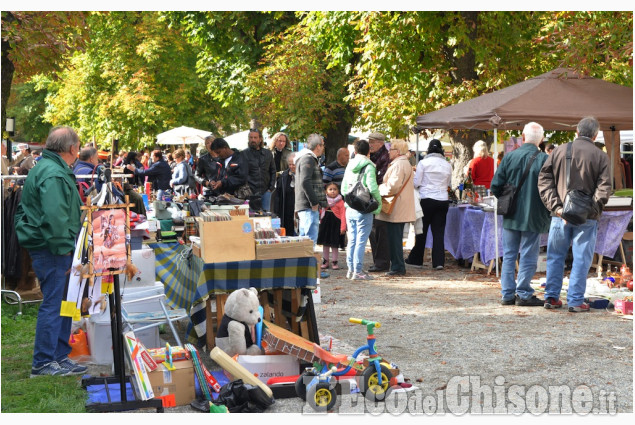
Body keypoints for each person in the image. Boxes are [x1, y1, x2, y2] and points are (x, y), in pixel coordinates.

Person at [14, 126, 87, 377]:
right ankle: (44, 362)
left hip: (56, 246)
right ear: (72, 148)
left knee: (64, 303)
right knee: (55, 303)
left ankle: (58, 355)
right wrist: (66, 251)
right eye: (78, 146)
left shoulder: (51, 168)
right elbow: (55, 219)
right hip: (54, 247)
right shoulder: (53, 173)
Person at [538, 116, 611, 312]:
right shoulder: (601, 156)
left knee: (555, 256)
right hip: (587, 217)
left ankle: (551, 297)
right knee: (581, 259)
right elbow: (604, 189)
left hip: (560, 214)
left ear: (576, 132)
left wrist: (556, 207)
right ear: (595, 135)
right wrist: (591, 210)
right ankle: (576, 300)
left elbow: (544, 181)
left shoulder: (559, 150)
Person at [491, 122, 551, 306]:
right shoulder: (544, 160)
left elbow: (495, 185)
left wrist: (506, 198)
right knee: (528, 254)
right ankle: (523, 293)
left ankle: (507, 294)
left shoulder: (509, 157)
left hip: (511, 213)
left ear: (523, 137)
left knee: (509, 255)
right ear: (541, 140)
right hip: (534, 215)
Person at [406, 139, 452, 269]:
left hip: (426, 199)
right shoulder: (447, 164)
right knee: (439, 232)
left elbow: (416, 183)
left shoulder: (423, 163)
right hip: (442, 199)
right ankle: (438, 262)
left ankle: (416, 259)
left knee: (422, 230)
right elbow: (448, 183)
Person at [341, 139, 382, 281]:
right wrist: (378, 204)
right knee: (361, 241)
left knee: (351, 240)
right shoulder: (369, 166)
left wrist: (347, 203)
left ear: (355, 151)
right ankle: (358, 271)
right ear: (368, 152)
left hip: (350, 207)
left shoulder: (349, 165)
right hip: (364, 208)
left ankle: (351, 270)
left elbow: (343, 188)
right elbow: (373, 187)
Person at [377, 139, 415, 276]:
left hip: (397, 206)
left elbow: (393, 186)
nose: (389, 151)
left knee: (394, 239)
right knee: (395, 238)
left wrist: (379, 188)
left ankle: (398, 267)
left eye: (391, 149)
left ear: (397, 152)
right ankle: (397, 266)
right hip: (400, 206)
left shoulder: (399, 165)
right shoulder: (404, 163)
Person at [294, 134, 328, 244]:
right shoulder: (308, 158)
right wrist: (314, 202)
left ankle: (305, 261)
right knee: (309, 241)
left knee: (306, 240)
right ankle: (308, 261)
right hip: (308, 205)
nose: (323, 148)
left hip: (306, 205)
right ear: (318, 146)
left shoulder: (306, 158)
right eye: (323, 145)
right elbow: (305, 181)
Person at [367, 132, 391, 272]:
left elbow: (380, 178)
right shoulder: (373, 156)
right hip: (374, 197)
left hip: (380, 197)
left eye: (372, 142)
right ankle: (378, 261)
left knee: (379, 230)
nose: (370, 145)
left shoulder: (384, 157)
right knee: (374, 230)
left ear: (380, 143)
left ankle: (381, 262)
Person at [243, 128, 276, 211]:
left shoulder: (268, 153)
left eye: (255, 137)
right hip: (250, 192)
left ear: (260, 139)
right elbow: (242, 173)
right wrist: (246, 190)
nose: (253, 140)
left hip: (266, 191)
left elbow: (273, 171)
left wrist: (270, 188)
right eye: (251, 137)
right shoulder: (244, 154)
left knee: (266, 216)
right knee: (251, 217)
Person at [318, 182, 346, 270]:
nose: (333, 191)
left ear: (338, 191)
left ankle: (334, 261)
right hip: (325, 223)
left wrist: (343, 227)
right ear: (326, 191)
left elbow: (343, 215)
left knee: (335, 244)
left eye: (335, 189)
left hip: (336, 224)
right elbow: (320, 211)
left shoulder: (341, 202)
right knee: (325, 244)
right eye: (330, 189)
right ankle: (325, 261)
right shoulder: (324, 201)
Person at [272, 153, 296, 236]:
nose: (291, 166)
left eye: (294, 164)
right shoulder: (284, 176)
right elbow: (278, 195)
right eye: (290, 164)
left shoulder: (303, 175)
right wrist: (276, 212)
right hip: (286, 210)